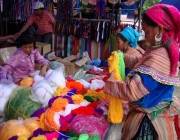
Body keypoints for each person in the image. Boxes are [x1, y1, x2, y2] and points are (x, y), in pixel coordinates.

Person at [104, 4, 180, 140]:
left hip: (149, 124)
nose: (144, 35)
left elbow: (132, 91)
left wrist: (111, 79)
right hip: (155, 113)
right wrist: (122, 58)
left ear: (160, 29)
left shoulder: (158, 56)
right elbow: (142, 64)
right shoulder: (160, 50)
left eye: (146, 31)